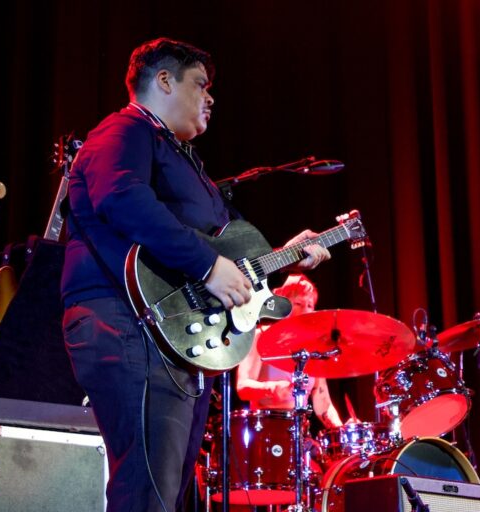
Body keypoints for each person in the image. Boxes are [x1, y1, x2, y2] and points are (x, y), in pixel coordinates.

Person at [60, 38, 330, 512]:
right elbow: (122, 197)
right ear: (164, 81)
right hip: (127, 321)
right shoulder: (125, 129)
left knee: (166, 493)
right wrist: (207, 266)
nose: (210, 97)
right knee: (147, 491)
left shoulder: (184, 159)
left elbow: (227, 249)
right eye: (200, 84)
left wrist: (283, 256)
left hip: (168, 336)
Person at [236, 274, 342, 429]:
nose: (305, 310)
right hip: (265, 428)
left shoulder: (315, 348)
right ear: (283, 305)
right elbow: (242, 387)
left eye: (310, 305)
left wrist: (342, 431)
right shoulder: (261, 337)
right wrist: (273, 389)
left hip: (299, 431)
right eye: (298, 303)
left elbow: (323, 403)